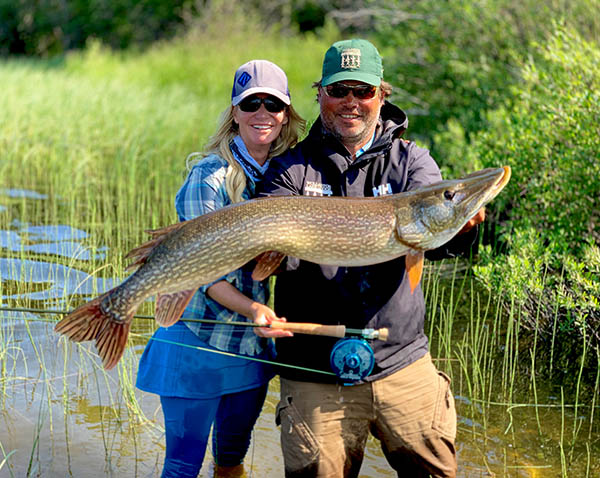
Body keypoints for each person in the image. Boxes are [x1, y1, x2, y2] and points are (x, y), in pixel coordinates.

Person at [258, 39, 484, 478]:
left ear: (382, 94)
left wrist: (468, 226)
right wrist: (276, 251)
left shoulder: (412, 164)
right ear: (319, 93)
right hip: (313, 370)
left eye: (362, 91)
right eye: (339, 90)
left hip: (402, 361)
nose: (350, 102)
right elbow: (272, 262)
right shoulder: (290, 170)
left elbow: (437, 242)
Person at [136, 59, 305, 478]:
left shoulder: (291, 177)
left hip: (250, 347)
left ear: (286, 115)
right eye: (251, 103)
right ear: (235, 112)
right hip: (197, 341)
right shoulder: (208, 177)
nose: (262, 113)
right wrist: (252, 309)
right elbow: (203, 273)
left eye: (273, 104)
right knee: (182, 465)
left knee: (231, 461)